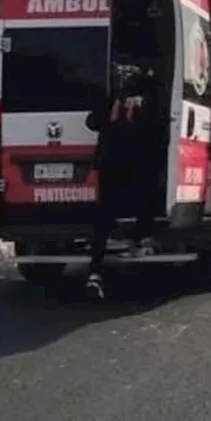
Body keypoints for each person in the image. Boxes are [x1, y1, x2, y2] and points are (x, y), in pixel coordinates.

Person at [83, 71, 163, 299]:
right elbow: (92, 121)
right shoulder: (116, 102)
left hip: (123, 164)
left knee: (109, 214)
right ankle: (135, 241)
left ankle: (98, 269)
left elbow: (92, 122)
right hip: (124, 165)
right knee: (128, 204)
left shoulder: (142, 102)